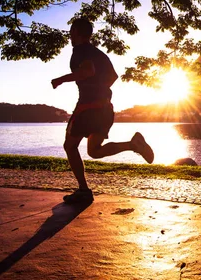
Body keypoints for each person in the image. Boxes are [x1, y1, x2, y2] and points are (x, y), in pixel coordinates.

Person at [52, 18, 154, 204]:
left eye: (71, 30)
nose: (69, 34)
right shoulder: (99, 54)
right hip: (105, 107)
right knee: (94, 151)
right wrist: (99, 89)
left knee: (70, 146)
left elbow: (87, 72)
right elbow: (113, 76)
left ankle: (84, 191)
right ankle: (133, 145)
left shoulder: (80, 51)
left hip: (87, 107)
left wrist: (61, 79)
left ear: (76, 31)